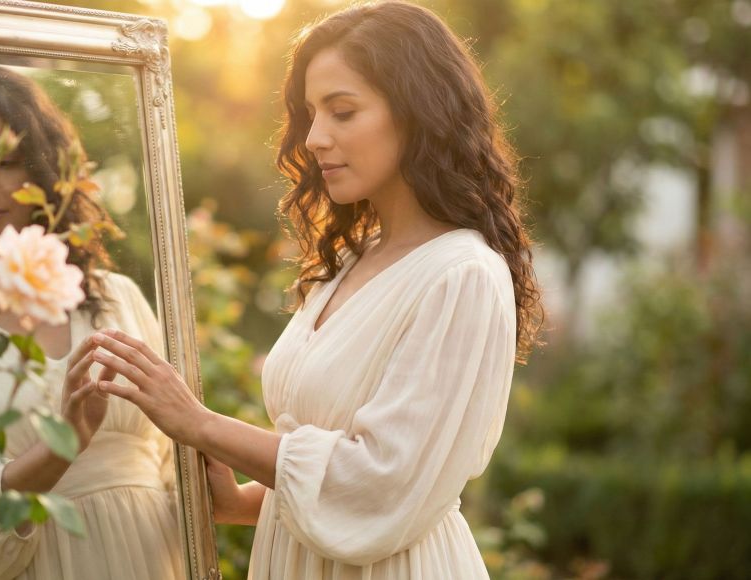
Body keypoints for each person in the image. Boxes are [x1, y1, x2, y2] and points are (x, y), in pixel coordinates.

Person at [93, 2, 544, 578]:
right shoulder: (351, 261)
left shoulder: (462, 275)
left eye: (343, 111)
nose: (314, 138)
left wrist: (202, 424)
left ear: (418, 113)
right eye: (311, 114)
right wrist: (239, 502)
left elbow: (382, 487)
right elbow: (329, 480)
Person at [0, 65, 184, 580]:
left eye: (7, 161)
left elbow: (179, 468)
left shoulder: (113, 300)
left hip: (152, 557)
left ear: (40, 170)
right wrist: (61, 447)